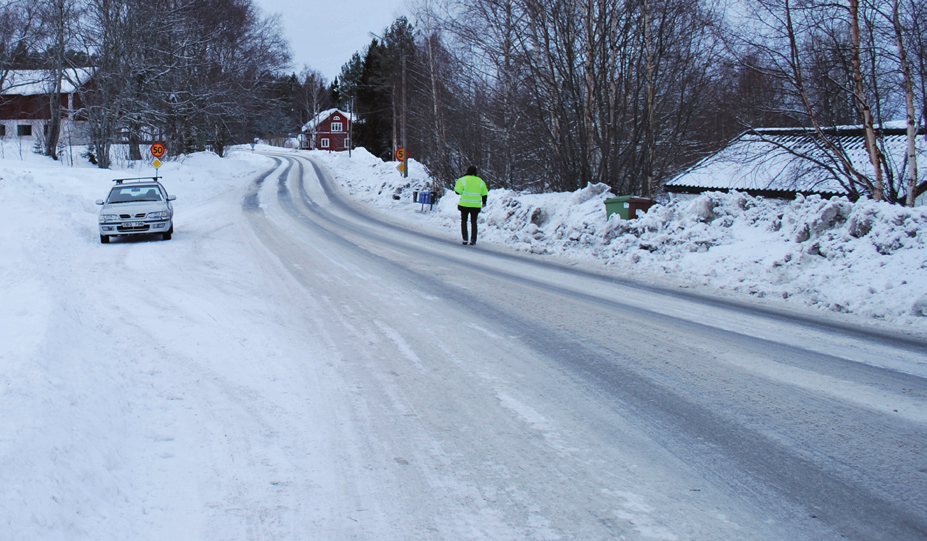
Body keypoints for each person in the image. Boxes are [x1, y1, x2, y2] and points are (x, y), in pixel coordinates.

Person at [454, 165, 488, 245]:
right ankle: (473, 240)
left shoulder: (462, 180)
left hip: (464, 205)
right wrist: (484, 202)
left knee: (464, 221)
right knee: (474, 222)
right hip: (475, 206)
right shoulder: (480, 181)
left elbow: (457, 191)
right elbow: (484, 193)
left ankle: (465, 238)